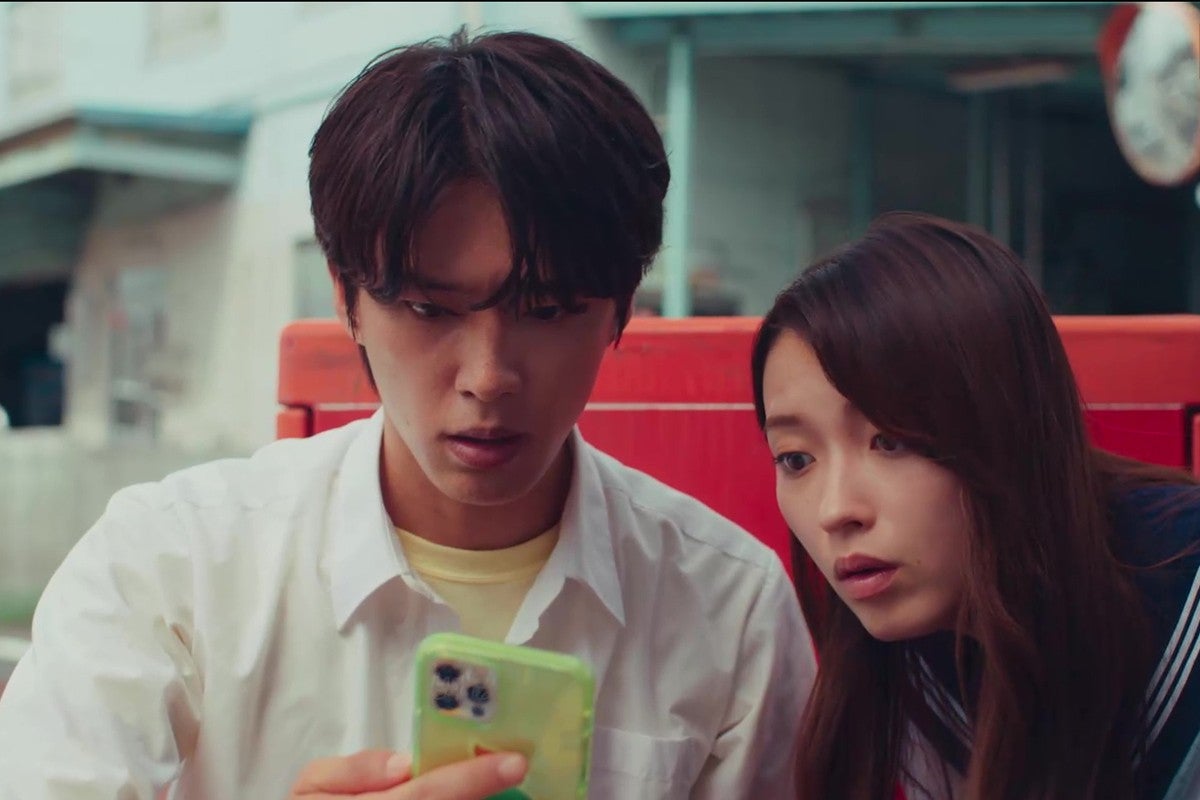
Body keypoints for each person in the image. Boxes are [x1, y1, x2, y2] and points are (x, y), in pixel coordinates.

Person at [0, 28, 815, 800]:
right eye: (429, 309)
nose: (488, 378)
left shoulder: (729, 608)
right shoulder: (171, 564)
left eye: (548, 309)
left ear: (621, 309)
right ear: (346, 298)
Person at [751, 211, 1200, 800]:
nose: (835, 510)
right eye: (796, 459)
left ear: (1007, 426)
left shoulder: (1182, 591)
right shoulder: (911, 643)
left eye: (891, 441)